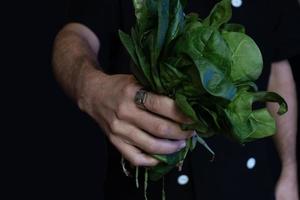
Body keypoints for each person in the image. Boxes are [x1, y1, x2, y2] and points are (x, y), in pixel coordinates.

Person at [52, 0, 300, 199]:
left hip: (250, 186)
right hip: (145, 188)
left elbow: (277, 67)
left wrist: (289, 172)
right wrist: (91, 88)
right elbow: (74, 34)